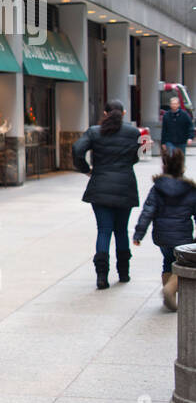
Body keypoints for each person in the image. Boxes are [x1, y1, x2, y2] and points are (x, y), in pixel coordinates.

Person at [72, 100, 141, 289]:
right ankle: (124, 272)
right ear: (124, 113)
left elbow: (77, 149)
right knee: (121, 230)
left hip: (100, 185)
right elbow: (136, 156)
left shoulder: (94, 132)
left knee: (104, 230)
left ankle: (102, 276)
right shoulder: (133, 133)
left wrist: (86, 169)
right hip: (125, 186)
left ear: (105, 113)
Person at [133, 145, 196, 311]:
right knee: (181, 265)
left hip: (161, 236)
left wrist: (139, 234)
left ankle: (170, 297)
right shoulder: (190, 190)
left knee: (167, 261)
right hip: (182, 236)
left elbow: (148, 211)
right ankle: (170, 289)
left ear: (164, 166)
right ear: (182, 166)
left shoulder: (157, 188)